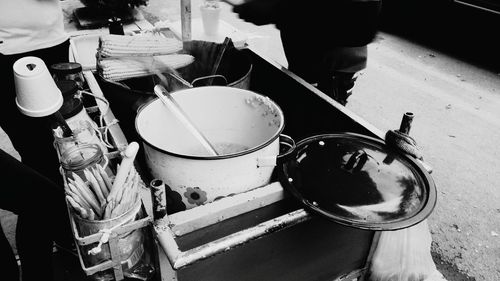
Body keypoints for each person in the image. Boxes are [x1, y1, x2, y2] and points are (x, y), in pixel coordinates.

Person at [0, 0, 73, 280]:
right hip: (12, 53)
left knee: (49, 158)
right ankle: (38, 268)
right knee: (41, 164)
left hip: (48, 41)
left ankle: (63, 236)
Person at [232, 0, 382, 105]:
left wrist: (276, 9)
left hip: (331, 67)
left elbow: (361, 20)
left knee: (318, 121)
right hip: (304, 57)